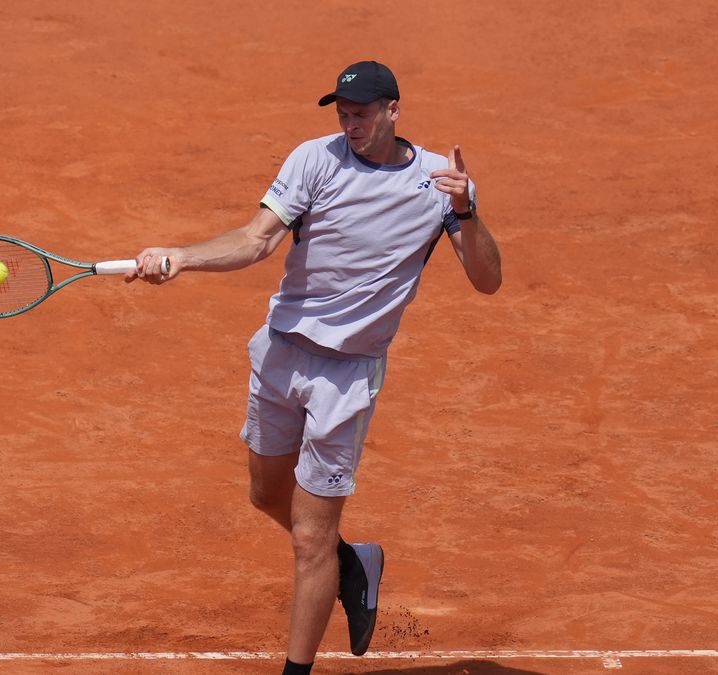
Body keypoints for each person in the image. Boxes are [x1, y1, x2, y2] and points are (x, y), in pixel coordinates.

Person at [128, 60, 502, 674]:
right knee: (265, 494)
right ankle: (351, 560)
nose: (349, 125)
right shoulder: (314, 159)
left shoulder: (441, 183)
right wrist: (181, 257)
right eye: (343, 114)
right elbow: (256, 240)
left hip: (347, 378)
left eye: (361, 114)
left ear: (393, 112)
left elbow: (488, 281)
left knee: (308, 537)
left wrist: (467, 213)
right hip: (280, 353)